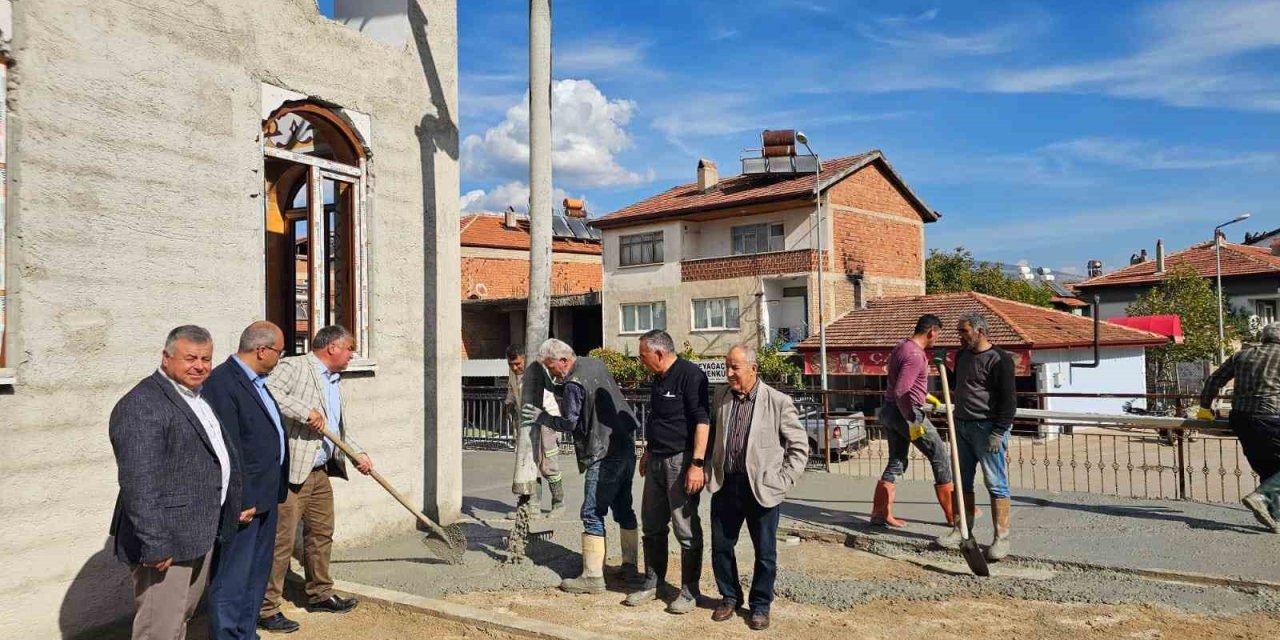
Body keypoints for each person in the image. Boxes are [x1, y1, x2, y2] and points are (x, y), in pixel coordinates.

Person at [109, 325, 241, 640]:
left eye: (206, 359)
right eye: (190, 358)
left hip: (196, 533)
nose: (200, 366)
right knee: (159, 630)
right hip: (166, 543)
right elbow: (139, 482)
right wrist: (155, 543)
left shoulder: (195, 397)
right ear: (166, 358)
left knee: (180, 620)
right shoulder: (143, 404)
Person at [259, 325, 374, 631]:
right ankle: (267, 608)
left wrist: (357, 453)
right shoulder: (294, 366)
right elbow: (266, 390)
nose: (353, 354)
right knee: (281, 542)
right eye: (350, 348)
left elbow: (335, 430)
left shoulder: (334, 381)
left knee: (321, 534)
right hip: (292, 471)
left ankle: (320, 593)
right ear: (332, 347)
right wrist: (303, 411)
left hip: (320, 471)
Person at [522, 338, 640, 594]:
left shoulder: (574, 382)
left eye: (552, 368)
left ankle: (593, 576)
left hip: (602, 451)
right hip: (625, 445)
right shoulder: (593, 364)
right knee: (623, 507)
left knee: (591, 512)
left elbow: (570, 422)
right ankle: (631, 566)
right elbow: (584, 395)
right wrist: (553, 386)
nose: (552, 372)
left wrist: (543, 417)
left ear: (564, 361)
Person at [708, 345, 808, 631]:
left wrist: (784, 480)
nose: (728, 373)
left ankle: (761, 605)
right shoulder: (721, 396)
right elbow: (714, 433)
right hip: (726, 483)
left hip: (762, 488)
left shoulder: (777, 401)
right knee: (721, 547)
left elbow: (799, 446)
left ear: (753, 369)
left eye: (735, 368)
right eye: (727, 366)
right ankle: (729, 596)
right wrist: (707, 467)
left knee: (764, 552)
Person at [204, 321, 291, 638]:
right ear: (262, 350)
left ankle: (246, 632)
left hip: (266, 497)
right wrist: (238, 499)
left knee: (256, 575)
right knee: (233, 578)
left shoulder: (257, 382)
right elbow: (228, 448)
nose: (280, 359)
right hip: (244, 503)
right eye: (279, 353)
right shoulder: (223, 383)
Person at [625, 330, 711, 613]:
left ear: (659, 354)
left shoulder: (691, 375)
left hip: (681, 461)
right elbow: (658, 418)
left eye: (643, 356)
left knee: (684, 528)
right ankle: (654, 581)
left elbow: (702, 421)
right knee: (651, 524)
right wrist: (648, 452)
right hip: (657, 460)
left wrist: (697, 465)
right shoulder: (658, 378)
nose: (641, 361)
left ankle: (689, 590)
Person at [938, 313, 1017, 560]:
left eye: (964, 331)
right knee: (962, 481)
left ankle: (1001, 539)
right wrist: (942, 369)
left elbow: (1008, 401)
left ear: (980, 331)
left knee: (995, 483)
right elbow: (960, 384)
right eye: (959, 331)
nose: (959, 336)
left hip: (987, 428)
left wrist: (999, 431)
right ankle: (961, 530)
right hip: (961, 425)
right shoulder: (961, 356)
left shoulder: (1000, 360)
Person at [875, 314, 957, 531]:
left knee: (897, 461)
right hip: (907, 414)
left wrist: (926, 395)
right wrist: (912, 419)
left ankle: (880, 514)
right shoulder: (915, 355)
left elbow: (902, 382)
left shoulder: (902, 346)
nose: (936, 339)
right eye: (937, 335)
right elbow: (903, 389)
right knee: (939, 455)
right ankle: (954, 514)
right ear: (931, 332)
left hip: (889, 411)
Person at [1198, 322, 1280, 533]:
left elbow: (1214, 379)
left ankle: (1272, 516)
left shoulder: (1242, 355)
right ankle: (1262, 498)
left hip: (1241, 420)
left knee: (1269, 468)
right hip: (1272, 418)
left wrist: (1205, 408)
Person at [504, 343, 565, 518]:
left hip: (546, 421)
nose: (515, 368)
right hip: (526, 423)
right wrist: (508, 403)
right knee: (529, 464)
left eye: (518, 364)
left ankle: (559, 504)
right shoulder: (513, 373)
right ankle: (532, 507)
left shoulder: (537, 372)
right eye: (511, 364)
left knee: (548, 465)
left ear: (525, 359)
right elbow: (511, 388)